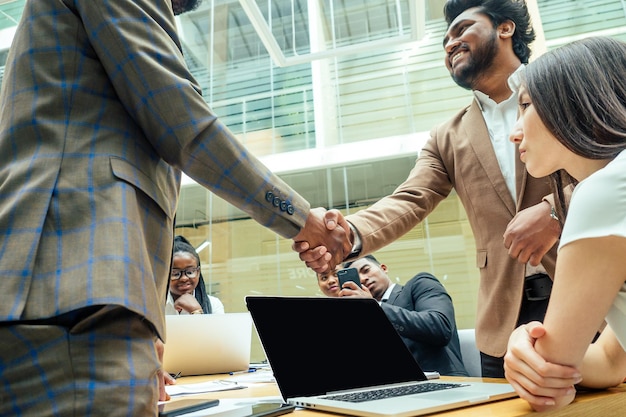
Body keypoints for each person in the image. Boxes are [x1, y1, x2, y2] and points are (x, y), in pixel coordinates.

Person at [0, 1, 350, 415]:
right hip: (72, 299)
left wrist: (146, 323)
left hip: (66, 298)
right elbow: (183, 123)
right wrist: (301, 220)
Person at [295, 0, 563, 378]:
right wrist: (347, 234)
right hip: (503, 319)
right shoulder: (447, 136)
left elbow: (614, 167)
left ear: (506, 28)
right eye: (445, 39)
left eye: (462, 29)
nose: (450, 43)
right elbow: (409, 198)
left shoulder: (565, 87)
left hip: (586, 294)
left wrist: (555, 211)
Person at [502, 36, 626, 412]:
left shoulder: (606, 190)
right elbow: (610, 361)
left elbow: (554, 370)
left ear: (574, 100)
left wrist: (528, 351)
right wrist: (529, 343)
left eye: (525, 105)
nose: (515, 131)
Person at [339, 255, 468, 376]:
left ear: (383, 268)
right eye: (357, 278)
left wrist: (375, 307)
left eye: (366, 270)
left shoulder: (420, 283)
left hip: (443, 381)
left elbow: (439, 327)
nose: (362, 279)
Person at [166, 236, 225, 315]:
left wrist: (196, 310)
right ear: (166, 275)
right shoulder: (156, 305)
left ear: (198, 272)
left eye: (190, 272)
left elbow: (217, 328)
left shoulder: (213, 304)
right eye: (175, 273)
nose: (184, 278)